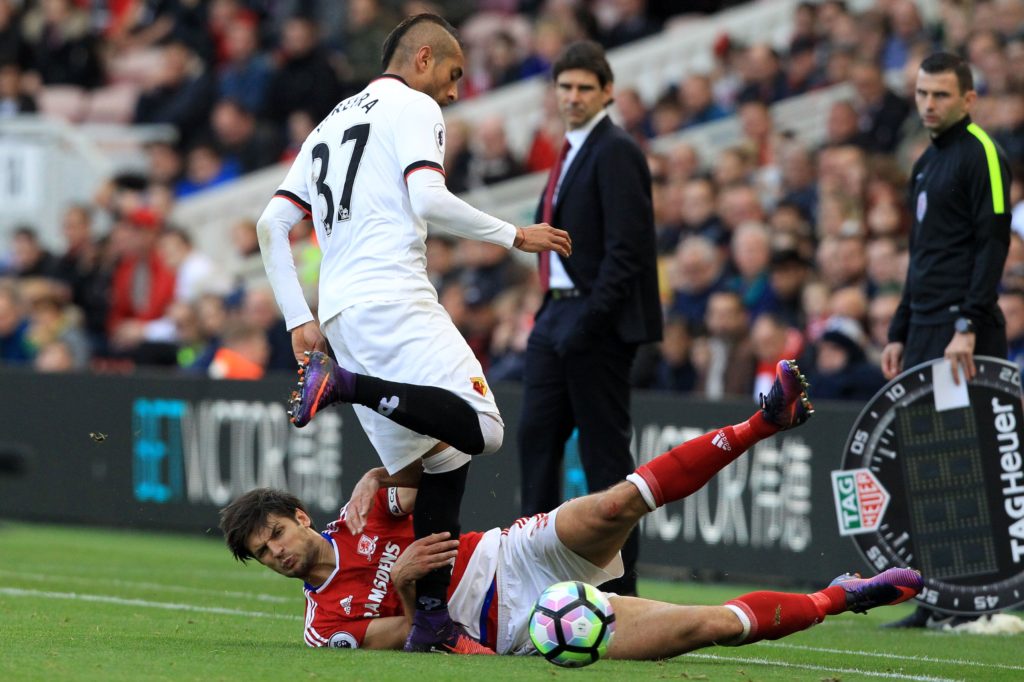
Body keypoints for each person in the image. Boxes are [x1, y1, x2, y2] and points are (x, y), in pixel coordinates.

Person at [220, 360, 923, 655]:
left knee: (616, 501)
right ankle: (838, 598)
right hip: (523, 624)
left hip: (509, 552)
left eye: (276, 533)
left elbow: (431, 460)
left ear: (300, 517)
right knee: (701, 628)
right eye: (263, 553)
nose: (278, 552)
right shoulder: (325, 626)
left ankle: (766, 420)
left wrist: (381, 472)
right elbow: (416, 644)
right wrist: (404, 584)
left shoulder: (364, 513)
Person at [254, 13, 570, 655]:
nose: (454, 93)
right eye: (453, 76)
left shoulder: (331, 121)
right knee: (483, 429)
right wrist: (515, 235)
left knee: (439, 458)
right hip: (391, 295)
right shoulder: (413, 106)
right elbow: (427, 200)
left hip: (343, 313)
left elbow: (270, 223)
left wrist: (299, 318)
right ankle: (345, 385)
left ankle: (431, 620)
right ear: (423, 59)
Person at [516, 40, 661, 597]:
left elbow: (629, 249)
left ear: (607, 93)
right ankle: (530, 576)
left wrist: (589, 320)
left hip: (592, 321)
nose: (572, 97)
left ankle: (622, 592)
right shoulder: (572, 148)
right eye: (565, 87)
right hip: (555, 315)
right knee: (536, 440)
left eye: (583, 88)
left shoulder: (615, 149)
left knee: (606, 459)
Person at [880, 52, 1012, 628]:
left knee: (974, 463)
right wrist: (900, 328)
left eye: (940, 95)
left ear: (968, 99)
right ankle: (934, 598)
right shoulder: (924, 164)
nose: (929, 104)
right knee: (927, 465)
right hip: (927, 329)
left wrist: (968, 324)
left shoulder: (982, 153)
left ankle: (985, 596)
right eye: (922, 94)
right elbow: (921, 257)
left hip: (965, 330)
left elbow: (993, 244)